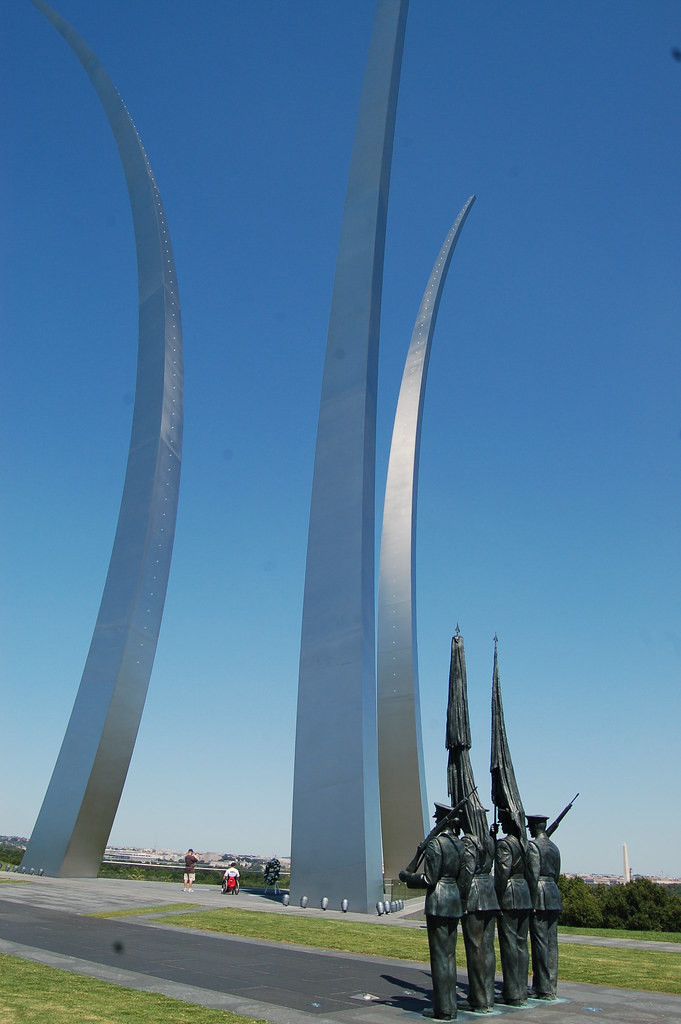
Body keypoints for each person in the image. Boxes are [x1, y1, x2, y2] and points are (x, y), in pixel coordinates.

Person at [400, 804, 473, 1021]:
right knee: (450, 956)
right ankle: (449, 1005)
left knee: (440, 957)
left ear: (443, 820)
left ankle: (443, 1008)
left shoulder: (436, 844)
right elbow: (464, 877)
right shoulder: (460, 846)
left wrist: (407, 878)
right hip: (453, 902)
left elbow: (429, 879)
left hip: (439, 901)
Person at [492, 809, 532, 1006]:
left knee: (509, 945)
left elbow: (502, 874)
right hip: (524, 895)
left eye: (502, 821)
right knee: (521, 944)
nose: (501, 824)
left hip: (510, 896)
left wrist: (496, 897)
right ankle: (522, 989)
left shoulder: (505, 845)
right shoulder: (525, 846)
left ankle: (512, 993)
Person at [460, 814, 499, 1013]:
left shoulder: (468, 841)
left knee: (475, 948)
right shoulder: (490, 840)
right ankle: (488, 995)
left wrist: (461, 900)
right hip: (489, 894)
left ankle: (478, 998)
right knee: (488, 948)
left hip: (475, 896)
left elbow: (467, 872)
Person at [526, 815, 562, 1000]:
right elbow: (556, 875)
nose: (529, 830)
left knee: (540, 943)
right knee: (551, 943)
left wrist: (530, 900)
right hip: (553, 894)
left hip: (539, 896)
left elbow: (532, 876)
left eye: (530, 827)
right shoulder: (554, 848)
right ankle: (551, 985)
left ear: (535, 827)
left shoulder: (533, 847)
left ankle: (542, 986)